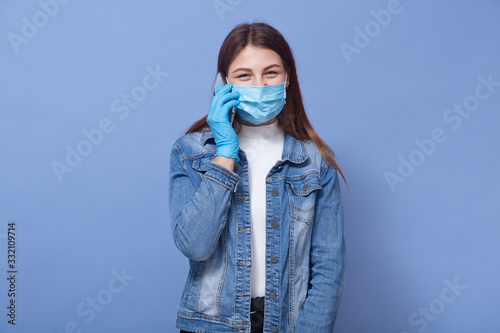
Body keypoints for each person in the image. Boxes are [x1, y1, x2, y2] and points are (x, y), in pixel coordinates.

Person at [169, 22, 346, 333]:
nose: (260, 85)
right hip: (211, 325)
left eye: (271, 72)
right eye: (244, 75)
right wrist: (224, 152)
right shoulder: (190, 152)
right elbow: (195, 246)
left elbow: (329, 268)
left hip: (287, 324)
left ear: (287, 77)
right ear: (222, 83)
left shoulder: (317, 160)